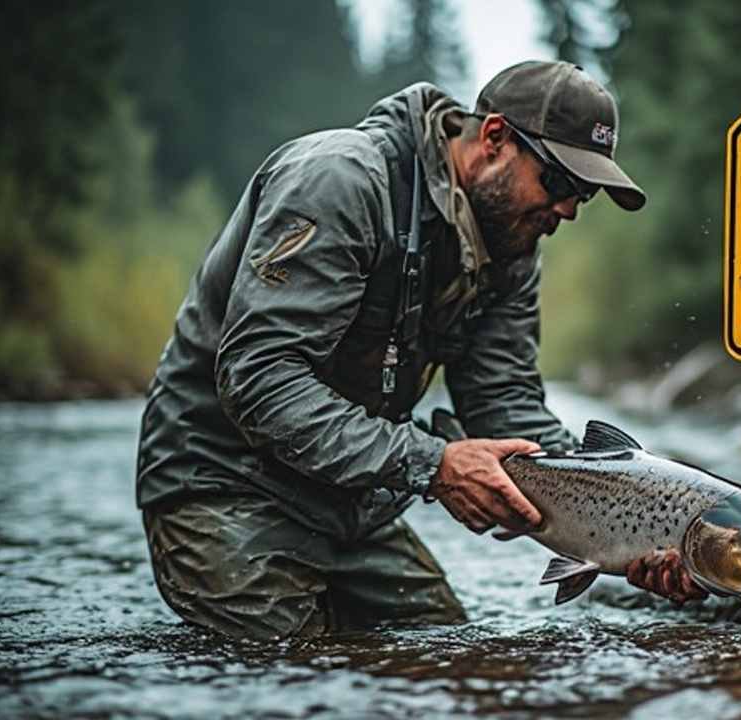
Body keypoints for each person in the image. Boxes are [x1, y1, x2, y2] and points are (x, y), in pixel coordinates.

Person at [135, 60, 705, 640]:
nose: (567, 210)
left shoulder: (511, 242)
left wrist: (625, 524)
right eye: (559, 182)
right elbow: (260, 379)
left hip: (350, 502)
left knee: (449, 659)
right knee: (295, 678)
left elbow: (502, 402)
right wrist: (434, 465)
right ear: (494, 138)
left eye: (584, 194)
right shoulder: (340, 182)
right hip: (220, 482)